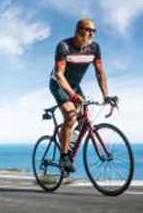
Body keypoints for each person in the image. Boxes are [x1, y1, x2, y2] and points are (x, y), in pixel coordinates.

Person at [49, 18, 115, 172]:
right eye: (87, 29)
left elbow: (100, 73)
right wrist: (71, 96)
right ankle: (64, 156)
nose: (91, 33)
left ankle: (68, 139)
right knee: (71, 116)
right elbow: (59, 75)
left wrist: (106, 96)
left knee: (85, 120)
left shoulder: (95, 48)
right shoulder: (64, 46)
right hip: (59, 84)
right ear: (78, 30)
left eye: (93, 30)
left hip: (75, 85)